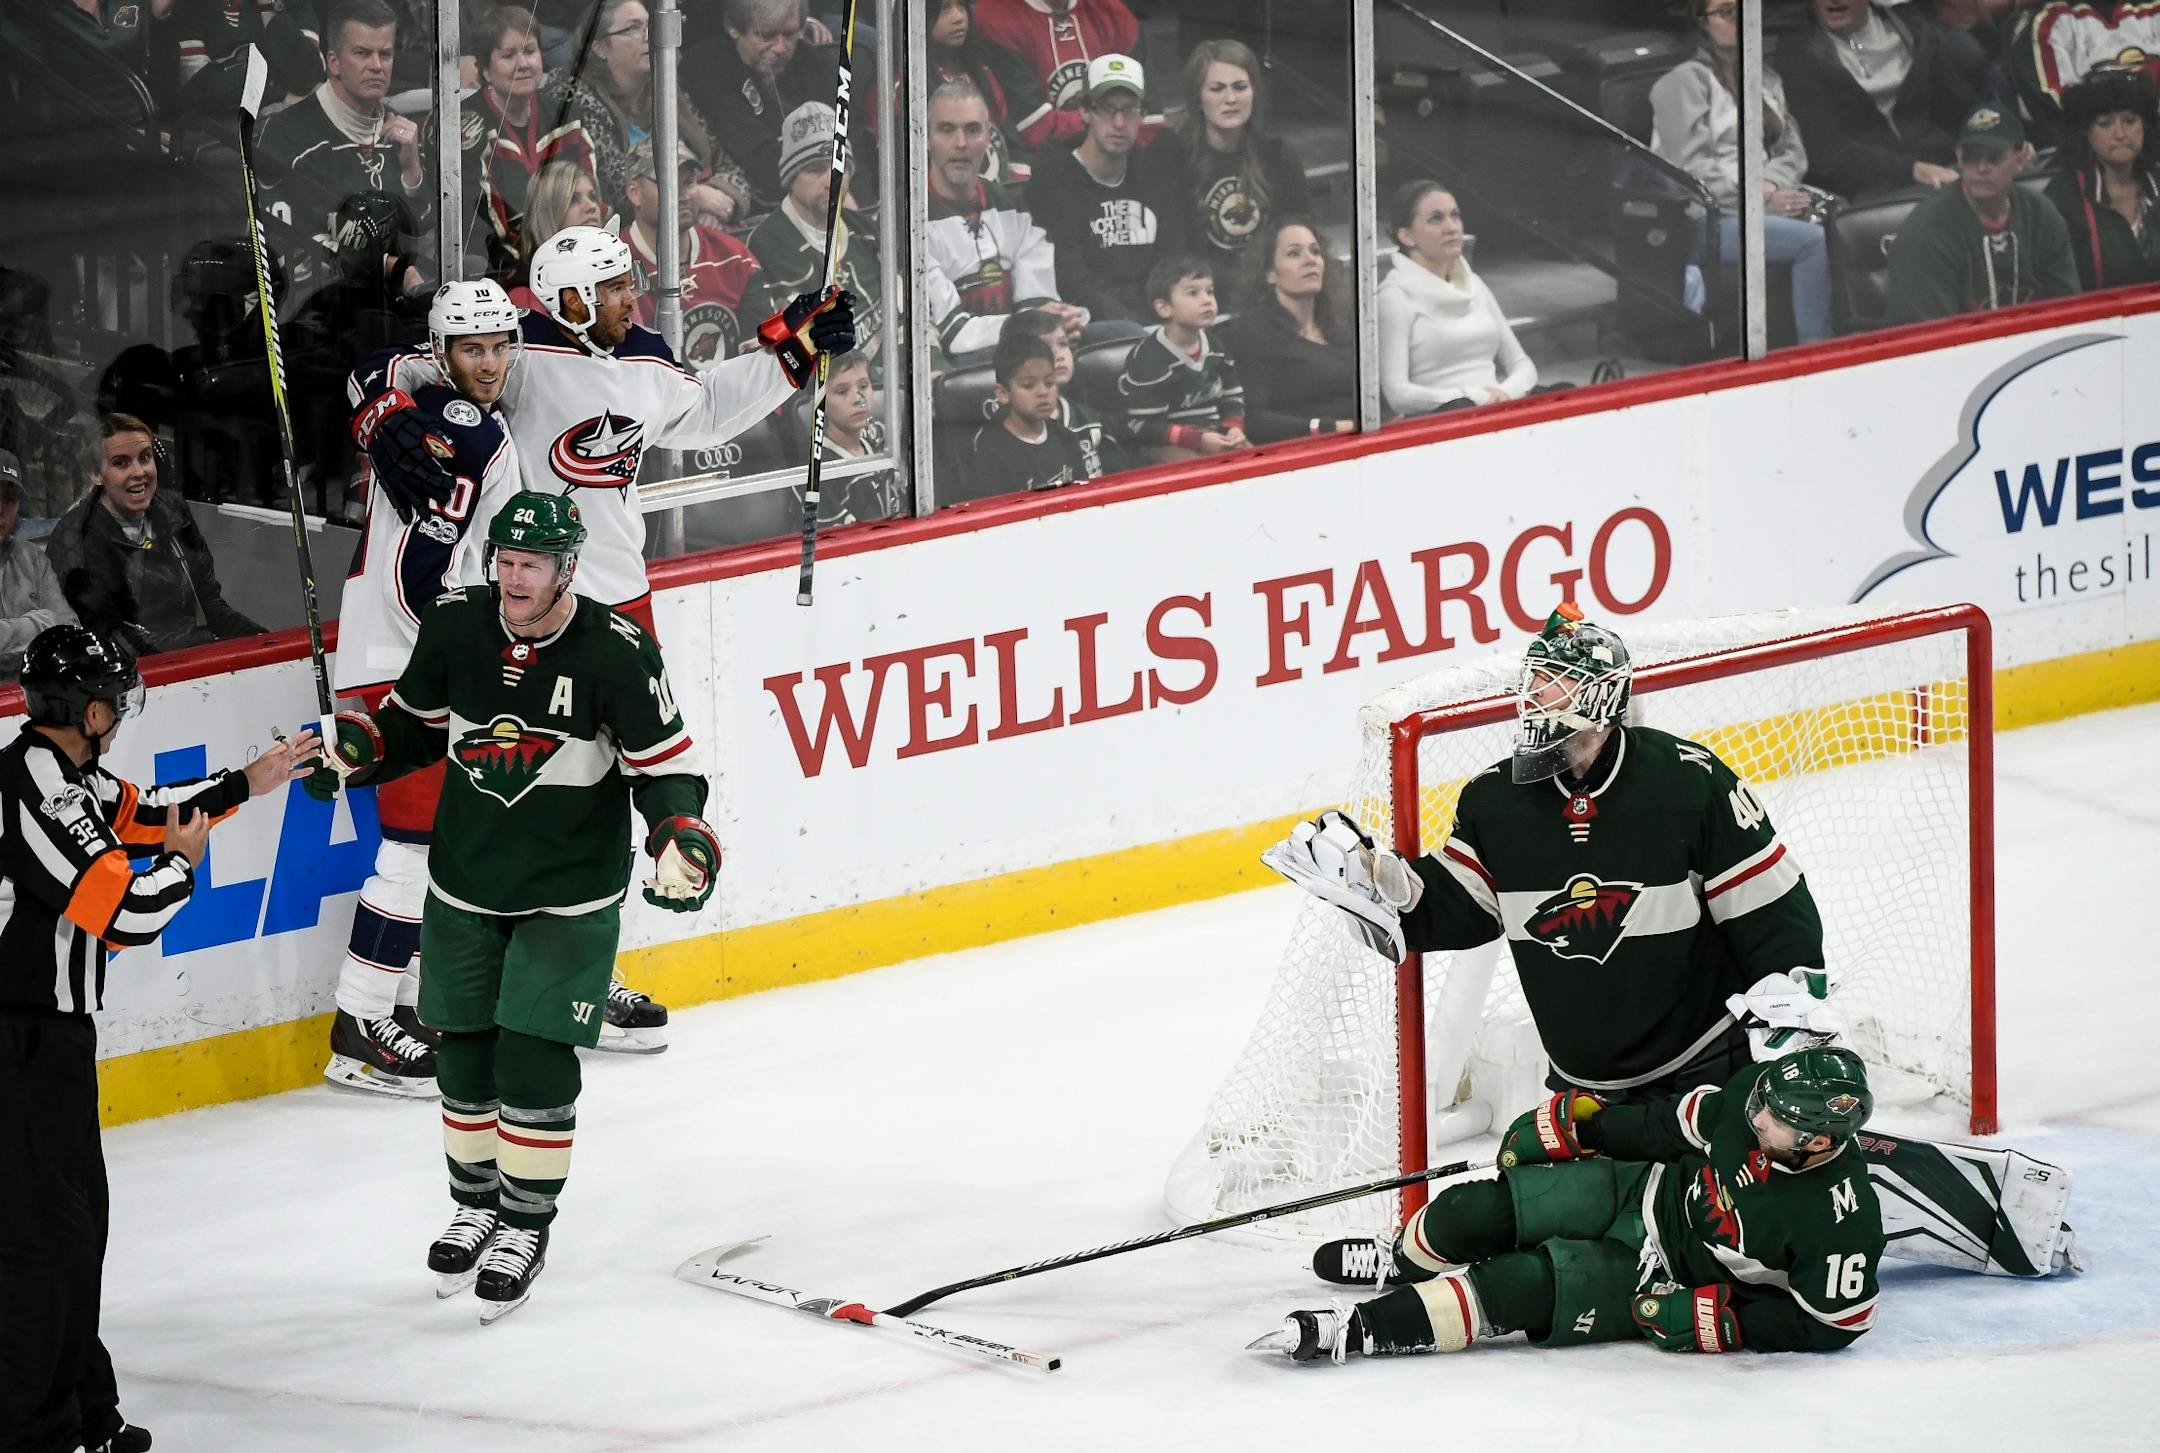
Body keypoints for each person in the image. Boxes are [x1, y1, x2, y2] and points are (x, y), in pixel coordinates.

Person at [1268, 602, 2081, 1286]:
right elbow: (1459, 907)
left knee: (1741, 1227)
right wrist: (1385, 883)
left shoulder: (1686, 783)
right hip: (1585, 1093)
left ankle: (1942, 1199)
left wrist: (1788, 1012)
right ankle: (1418, 1260)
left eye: (1560, 687)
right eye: (1535, 684)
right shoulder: (1493, 805)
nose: (1539, 703)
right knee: (1565, 1223)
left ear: (1608, 699)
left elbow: (1777, 911)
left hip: (1701, 1083)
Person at [301, 492, 721, 1323]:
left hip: (568, 892)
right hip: (465, 880)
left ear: (568, 568)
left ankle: (526, 1224)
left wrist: (682, 836)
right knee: (464, 1051)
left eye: (530, 564)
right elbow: (412, 728)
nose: (512, 576)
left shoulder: (616, 651)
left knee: (531, 1056)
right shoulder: (458, 623)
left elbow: (665, 771)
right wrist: (362, 748)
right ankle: (476, 1202)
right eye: (503, 559)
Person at [1, 626, 316, 1451]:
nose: (121, 711)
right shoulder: (29, 787)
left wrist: (251, 779)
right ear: (90, 708)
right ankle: (37, 1431)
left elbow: (146, 815)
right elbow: (127, 911)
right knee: (41, 1245)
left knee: (76, 1232)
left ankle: (82, 1414)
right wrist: (183, 866)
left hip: (50, 1040)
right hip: (14, 1043)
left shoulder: (67, 774)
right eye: (113, 697)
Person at [1253, 1047, 1885, 1362]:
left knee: (1515, 1285)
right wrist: (1589, 1128)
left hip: (1666, 1274)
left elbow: (1836, 1324)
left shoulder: (1841, 1220)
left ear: (1818, 1142)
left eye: (1773, 1122)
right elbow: (1674, 1127)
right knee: (1465, 1213)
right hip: (1647, 1186)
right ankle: (1401, 1261)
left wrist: (1728, 1321)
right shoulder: (1756, 1093)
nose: (1755, 1117)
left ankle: (1360, 1333)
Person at [327, 280, 529, 1099]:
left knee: (436, 848)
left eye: (498, 346)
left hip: (400, 655)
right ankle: (360, 1021)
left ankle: (402, 1005)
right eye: (471, 348)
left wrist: (380, 406)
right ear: (443, 351)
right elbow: (429, 576)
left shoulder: (429, 404)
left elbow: (371, 373)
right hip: (408, 665)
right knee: (412, 851)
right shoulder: (469, 431)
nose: (488, 363)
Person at [1651, 0, 1833, 344]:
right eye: (1726, 12)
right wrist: (1759, 197)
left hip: (1757, 201)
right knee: (1812, 241)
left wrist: (1771, 184)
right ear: (1703, 24)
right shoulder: (1683, 83)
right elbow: (1691, 173)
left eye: (1744, 11)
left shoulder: (1765, 78)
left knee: (1841, 216)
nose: (1739, 20)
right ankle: (1817, 345)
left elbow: (1792, 150)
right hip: (1707, 219)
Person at [46, 415, 265, 658]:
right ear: (95, 475)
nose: (139, 472)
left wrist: (263, 641)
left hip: (195, 654)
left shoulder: (172, 509)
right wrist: (205, 645)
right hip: (129, 672)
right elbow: (107, 637)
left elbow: (209, 602)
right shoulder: (77, 537)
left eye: (145, 457)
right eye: (121, 463)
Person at [428, 5, 596, 282]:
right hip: (502, 276)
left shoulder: (570, 119)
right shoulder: (460, 128)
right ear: (486, 70)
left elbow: (594, 200)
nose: (523, 64)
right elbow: (481, 228)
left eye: (530, 51)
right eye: (508, 55)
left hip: (574, 262)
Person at [540, 0, 747, 223]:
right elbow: (620, 193)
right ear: (599, 47)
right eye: (632, 28)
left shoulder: (667, 89)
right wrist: (696, 197)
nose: (649, 36)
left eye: (651, 25)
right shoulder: (580, 105)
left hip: (701, 227)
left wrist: (721, 198)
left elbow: (725, 163)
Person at [924, 79, 1087, 360]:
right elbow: (954, 334)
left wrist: (1058, 321)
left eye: (973, 130)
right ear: (925, 137)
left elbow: (1038, 298)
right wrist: (1031, 326)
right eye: (946, 130)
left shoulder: (1012, 205)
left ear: (989, 136)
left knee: (1117, 334)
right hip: (962, 363)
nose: (960, 143)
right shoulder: (909, 218)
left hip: (1026, 349)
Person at [254, 0, 431, 254]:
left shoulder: (402, 131)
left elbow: (424, 237)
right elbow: (299, 242)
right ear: (334, 62)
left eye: (385, 54)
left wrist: (412, 172)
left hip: (400, 286)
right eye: (362, 53)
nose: (377, 66)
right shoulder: (286, 134)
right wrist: (387, 266)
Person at [1029, 55, 1186, 324]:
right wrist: (1130, 325)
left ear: (1144, 115)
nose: (1119, 123)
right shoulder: (1052, 184)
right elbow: (1071, 279)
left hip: (1158, 318)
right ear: (1084, 112)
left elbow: (1172, 261)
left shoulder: (1156, 174)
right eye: (1107, 109)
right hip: (1092, 326)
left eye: (1129, 110)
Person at [1888, 104, 2081, 322]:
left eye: (1994, 157)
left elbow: (2068, 312)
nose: (1981, 167)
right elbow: (1928, 339)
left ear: (2021, 159)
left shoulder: (2042, 215)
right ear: (1958, 157)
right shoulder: (1926, 233)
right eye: (1971, 157)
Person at [1777, 0, 1978, 201]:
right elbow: (1825, 154)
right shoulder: (1797, 54)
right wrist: (1910, 170)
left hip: (1942, 165)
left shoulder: (1917, 32)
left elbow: (1958, 110)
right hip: (1864, 188)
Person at [745, 102, 886, 369]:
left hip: (889, 386)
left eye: (838, 167)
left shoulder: (868, 230)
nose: (830, 180)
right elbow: (773, 352)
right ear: (790, 177)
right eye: (815, 170)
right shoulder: (764, 245)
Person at [1377, 183, 1535, 416]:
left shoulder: (1475, 284)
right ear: (1406, 236)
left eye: (1455, 216)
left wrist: (1505, 393)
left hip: (1496, 410)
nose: (1451, 228)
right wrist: (1471, 397)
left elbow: (1522, 364)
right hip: (1440, 422)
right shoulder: (1393, 296)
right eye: (1436, 219)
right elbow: (1397, 393)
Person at [620, 138, 763, 367]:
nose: (683, 194)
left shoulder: (736, 259)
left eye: (688, 182)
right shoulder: (612, 265)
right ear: (634, 193)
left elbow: (760, 363)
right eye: (667, 183)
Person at [682, 0, 834, 210]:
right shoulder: (707, 69)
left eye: (790, 34)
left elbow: (844, 137)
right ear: (733, 27)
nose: (781, 47)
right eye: (766, 36)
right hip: (763, 205)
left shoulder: (812, 62)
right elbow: (759, 158)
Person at [1217, 217, 1357, 441]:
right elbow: (1253, 419)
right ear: (1270, 273)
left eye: (1315, 252)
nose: (1310, 260)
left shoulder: (1344, 324)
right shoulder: (1251, 335)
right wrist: (1328, 427)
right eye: (1294, 253)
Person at [1173, 39, 1312, 261]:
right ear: (1198, 98)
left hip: (1266, 286)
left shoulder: (1279, 155)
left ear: (1253, 93)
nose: (1231, 99)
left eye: (1240, 87)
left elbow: (1299, 236)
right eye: (1217, 89)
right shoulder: (1175, 159)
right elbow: (1177, 255)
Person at [1117, 255, 1247, 462]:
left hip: (1213, 434)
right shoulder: (1148, 357)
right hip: (1163, 444)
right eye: (1193, 293)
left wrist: (1233, 428)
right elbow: (1140, 426)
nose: (1207, 300)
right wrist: (1197, 439)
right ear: (1164, 308)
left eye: (1210, 291)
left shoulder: (1217, 346)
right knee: (1196, 467)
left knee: (1253, 457)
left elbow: (1232, 397)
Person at [2043, 69, 2160, 291]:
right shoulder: (2063, 199)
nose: (2120, 134)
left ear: (2145, 125)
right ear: (2086, 133)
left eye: (2129, 120)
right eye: (2105, 124)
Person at [955, 328, 1098, 502]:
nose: (1043, 392)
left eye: (1049, 383)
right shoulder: (990, 454)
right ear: (1003, 393)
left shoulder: (1066, 438)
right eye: (1029, 385)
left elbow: (1083, 498)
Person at [924, 0, 1056, 188]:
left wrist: (1016, 193)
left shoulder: (980, 73)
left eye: (962, 6)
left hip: (999, 197)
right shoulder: (904, 87)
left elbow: (1012, 144)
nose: (959, 18)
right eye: (945, 9)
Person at [969, 0, 1139, 143]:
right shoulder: (994, 18)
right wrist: (1114, 122)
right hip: (1037, 166)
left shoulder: (1114, 14)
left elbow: (1150, 119)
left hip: (1115, 156)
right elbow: (1034, 127)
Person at [1002, 307, 1122, 477]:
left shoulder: (1092, 422)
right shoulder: (1004, 436)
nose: (1059, 355)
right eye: (1044, 346)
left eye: (1063, 344)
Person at [0, 449, 76, 680]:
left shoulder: (33, 559)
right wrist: (42, 621)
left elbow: (69, 628)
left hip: (33, 694)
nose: (0, 510)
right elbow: (54, 625)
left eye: (9, 500)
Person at [802, 351, 899, 525]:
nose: (858, 399)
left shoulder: (882, 441)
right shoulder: (818, 471)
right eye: (842, 391)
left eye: (863, 386)